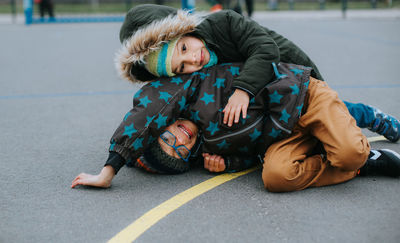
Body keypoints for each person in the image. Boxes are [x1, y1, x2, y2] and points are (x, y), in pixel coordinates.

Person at [72, 62, 400, 191]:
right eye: (179, 151)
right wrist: (228, 164)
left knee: (346, 145)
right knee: (275, 178)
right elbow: (250, 155)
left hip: (299, 97)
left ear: (163, 125)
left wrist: (111, 166)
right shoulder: (207, 147)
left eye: (167, 138)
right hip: (284, 135)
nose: (179, 140)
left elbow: (145, 113)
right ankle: (364, 163)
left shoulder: (186, 91)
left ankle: (365, 118)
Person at [114, 4, 399, 142]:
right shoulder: (195, 70)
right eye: (182, 66)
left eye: (186, 47)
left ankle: (367, 115)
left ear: (184, 30)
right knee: (290, 130)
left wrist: (242, 90)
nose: (193, 60)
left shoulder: (224, 23)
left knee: (314, 113)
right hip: (259, 97)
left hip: (289, 74)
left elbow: (266, 49)